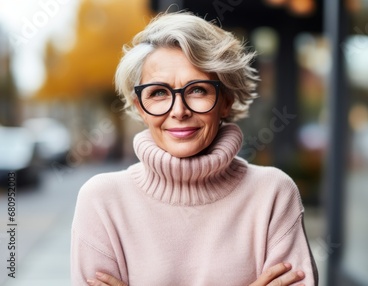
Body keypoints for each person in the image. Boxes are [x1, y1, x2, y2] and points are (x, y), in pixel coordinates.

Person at [71, 10, 318, 286]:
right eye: (158, 92)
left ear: (226, 100)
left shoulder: (272, 194)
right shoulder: (102, 200)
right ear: (140, 106)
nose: (179, 111)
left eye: (198, 90)